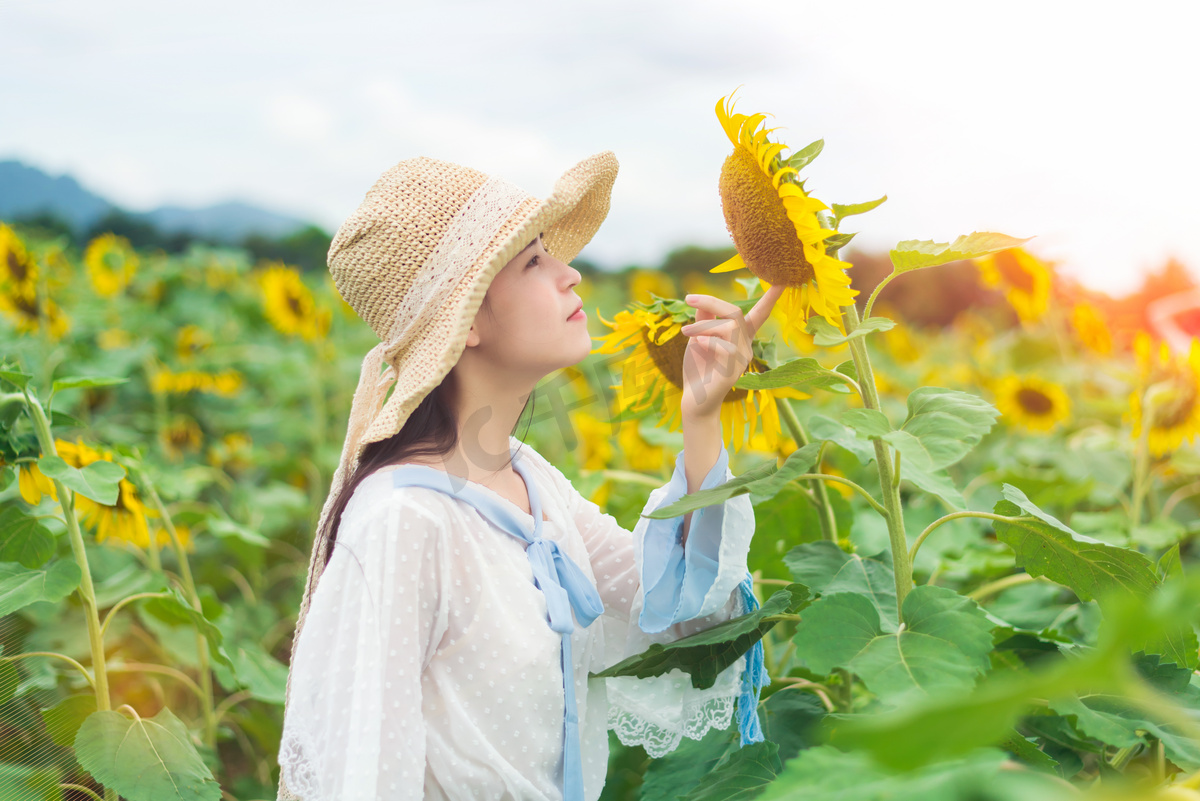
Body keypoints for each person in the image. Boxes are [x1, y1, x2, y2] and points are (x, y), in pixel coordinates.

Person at [275, 152, 783, 801]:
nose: (571, 274)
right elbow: (368, 776)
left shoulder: (528, 480)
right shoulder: (402, 522)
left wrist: (702, 416)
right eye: (534, 261)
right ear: (468, 321)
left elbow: (677, 612)